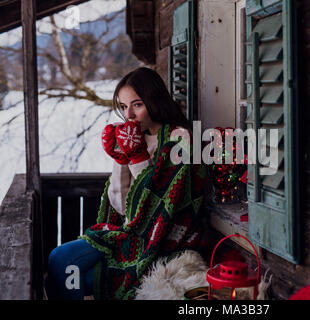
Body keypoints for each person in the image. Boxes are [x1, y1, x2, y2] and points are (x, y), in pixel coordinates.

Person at [45, 67, 207, 300]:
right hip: (128, 233)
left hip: (160, 241)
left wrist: (138, 157)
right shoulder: (134, 137)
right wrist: (121, 158)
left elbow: (155, 207)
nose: (128, 114)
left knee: (73, 274)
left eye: (137, 104)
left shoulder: (179, 137)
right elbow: (122, 207)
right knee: (58, 259)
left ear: (154, 100)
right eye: (123, 106)